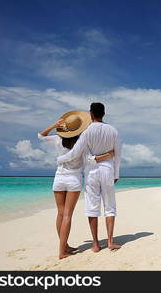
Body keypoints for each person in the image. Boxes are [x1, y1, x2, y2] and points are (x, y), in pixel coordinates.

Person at [39, 111, 114, 259]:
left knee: (60, 214)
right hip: (73, 180)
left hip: (58, 178)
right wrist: (108, 155)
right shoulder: (82, 142)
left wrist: (55, 125)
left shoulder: (57, 139)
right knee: (67, 215)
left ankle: (64, 245)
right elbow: (91, 160)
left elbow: (41, 136)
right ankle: (62, 252)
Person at [57, 103, 122, 252]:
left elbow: (75, 153)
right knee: (109, 206)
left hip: (91, 172)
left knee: (92, 207)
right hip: (108, 170)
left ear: (91, 114)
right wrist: (116, 174)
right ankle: (111, 242)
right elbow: (117, 155)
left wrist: (60, 160)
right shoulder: (113, 130)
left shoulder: (86, 131)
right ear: (103, 114)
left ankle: (95, 244)